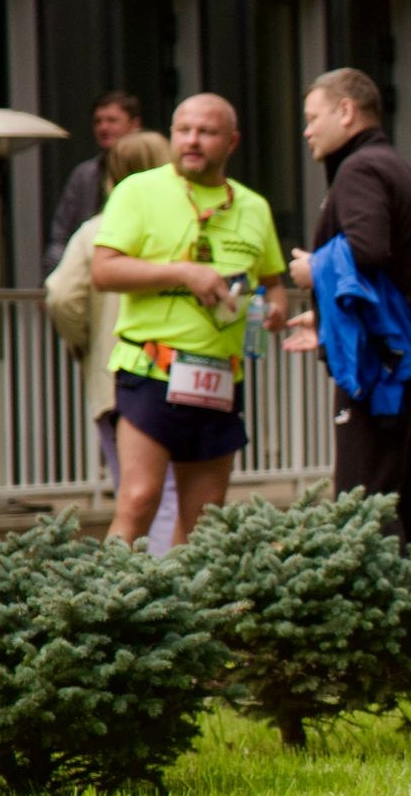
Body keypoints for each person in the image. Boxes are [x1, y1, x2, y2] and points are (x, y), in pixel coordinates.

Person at [89, 94, 288, 547]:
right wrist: (183, 272)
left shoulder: (253, 207)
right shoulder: (137, 191)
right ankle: (102, 608)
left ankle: (186, 614)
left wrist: (275, 308)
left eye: (207, 132)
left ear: (232, 141)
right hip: (150, 369)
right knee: (139, 499)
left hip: (219, 375)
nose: (192, 141)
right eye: (184, 131)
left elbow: (273, 282)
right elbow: (104, 272)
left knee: (204, 519)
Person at [284, 68, 411, 544]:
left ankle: (378, 618)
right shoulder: (397, 167)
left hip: (386, 365)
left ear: (347, 111)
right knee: (410, 503)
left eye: (314, 117)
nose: (307, 130)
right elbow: (393, 273)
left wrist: (313, 269)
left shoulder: (361, 169)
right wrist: (329, 317)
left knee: (366, 506)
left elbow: (368, 248)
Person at [44, 128, 180, 551]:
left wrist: (81, 341)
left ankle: (136, 589)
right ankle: (170, 580)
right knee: (175, 489)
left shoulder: (95, 231)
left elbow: (62, 295)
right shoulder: (187, 224)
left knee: (134, 491)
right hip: (186, 372)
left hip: (114, 377)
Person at [43, 92, 142, 277]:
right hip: (88, 270)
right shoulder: (85, 175)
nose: (103, 127)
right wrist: (52, 278)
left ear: (134, 124)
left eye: (112, 120)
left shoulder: (149, 170)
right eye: (98, 121)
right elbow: (61, 234)